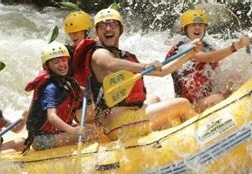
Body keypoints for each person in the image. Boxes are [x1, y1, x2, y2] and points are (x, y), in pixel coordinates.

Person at [75, 8, 201, 141]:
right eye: (102, 25)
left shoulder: (124, 56)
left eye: (113, 24)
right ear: (97, 31)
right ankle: (200, 139)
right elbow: (110, 63)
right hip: (118, 124)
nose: (108, 29)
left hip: (128, 116)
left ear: (120, 29)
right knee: (182, 103)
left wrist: (189, 54)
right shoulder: (98, 54)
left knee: (155, 99)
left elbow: (162, 72)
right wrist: (144, 66)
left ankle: (172, 145)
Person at [166, 8, 251, 113]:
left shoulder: (207, 46)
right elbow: (209, 57)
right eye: (193, 25)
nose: (197, 27)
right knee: (217, 98)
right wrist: (237, 46)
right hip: (189, 106)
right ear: (184, 29)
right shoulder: (182, 48)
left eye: (201, 24)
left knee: (236, 79)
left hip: (206, 97)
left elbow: (219, 58)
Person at [23, 42, 97, 151]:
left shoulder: (66, 81)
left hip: (55, 132)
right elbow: (51, 117)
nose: (62, 64)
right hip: (41, 140)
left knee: (92, 129)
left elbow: (87, 92)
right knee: (88, 133)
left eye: (64, 60)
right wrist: (71, 130)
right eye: (56, 62)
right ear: (47, 66)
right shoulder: (50, 88)